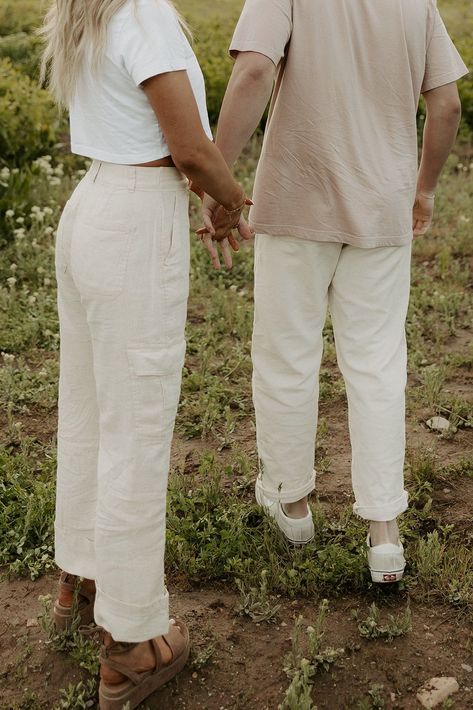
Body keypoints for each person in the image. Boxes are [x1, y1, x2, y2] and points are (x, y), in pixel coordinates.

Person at [201, 0, 468, 582]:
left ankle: (291, 503)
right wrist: (423, 189)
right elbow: (445, 104)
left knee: (286, 356)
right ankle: (384, 533)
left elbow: (253, 71)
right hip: (381, 209)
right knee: (376, 365)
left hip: (296, 203)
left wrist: (215, 178)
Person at [39, 0, 251, 707]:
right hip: (133, 221)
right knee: (135, 428)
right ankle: (131, 641)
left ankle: (84, 574)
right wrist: (230, 202)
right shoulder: (144, 12)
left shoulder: (85, 9)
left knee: (92, 410)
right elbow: (188, 148)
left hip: (92, 205)